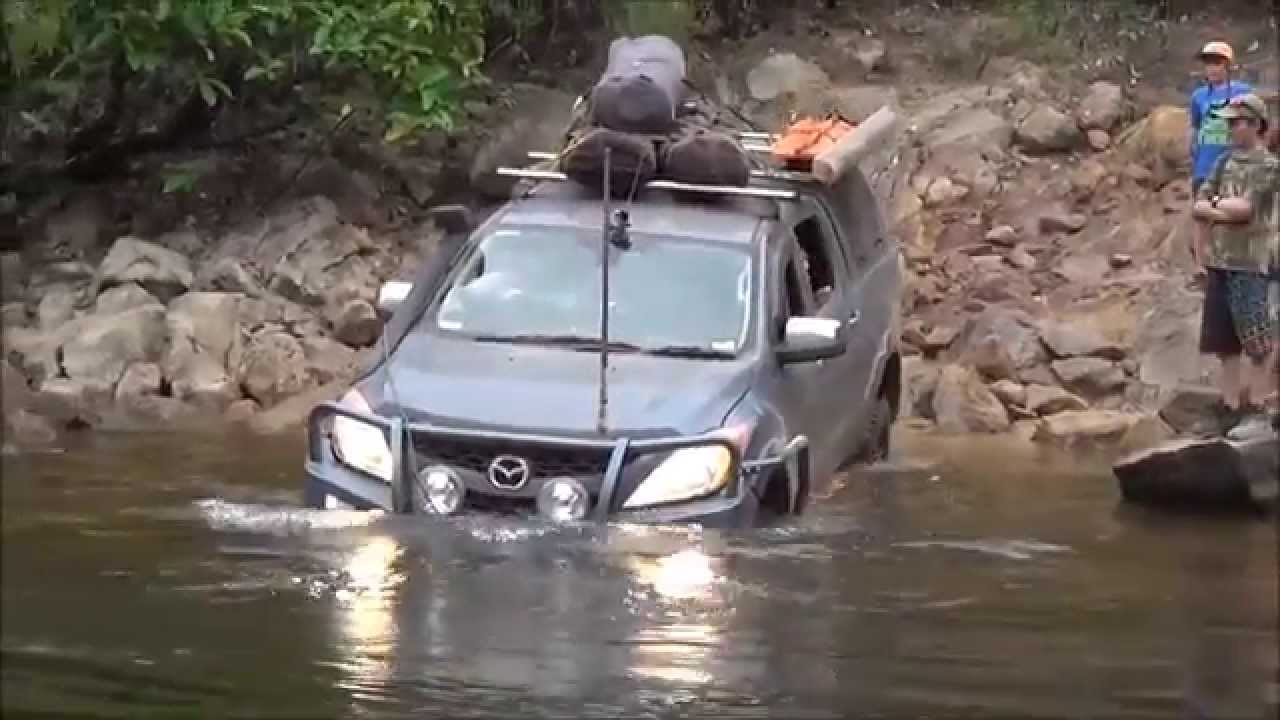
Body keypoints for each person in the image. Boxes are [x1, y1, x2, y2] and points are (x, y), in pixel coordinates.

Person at [1190, 93, 1280, 438]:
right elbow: (1200, 202)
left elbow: (1245, 210)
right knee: (1223, 340)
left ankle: (1257, 407)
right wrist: (1217, 208)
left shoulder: (1269, 167)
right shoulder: (1224, 162)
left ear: (1255, 124)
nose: (1230, 129)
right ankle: (1228, 407)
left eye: (1236, 122)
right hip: (1220, 261)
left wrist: (1213, 208)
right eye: (1228, 123)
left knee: (1256, 339)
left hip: (1252, 263)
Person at [1188, 41, 1252, 195]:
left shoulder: (1242, 91)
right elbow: (1195, 128)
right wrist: (1194, 155)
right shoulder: (1199, 95)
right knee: (1202, 209)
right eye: (1208, 64)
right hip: (1204, 166)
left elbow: (1253, 125)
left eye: (1217, 63)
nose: (1212, 69)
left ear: (1227, 66)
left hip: (1233, 166)